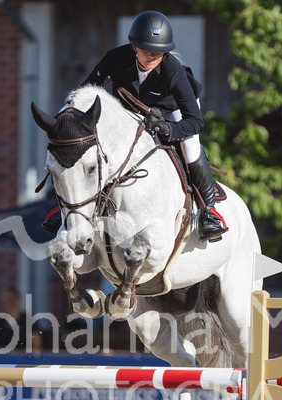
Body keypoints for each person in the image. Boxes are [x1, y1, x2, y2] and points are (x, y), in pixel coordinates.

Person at [41, 10, 228, 243]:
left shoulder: (174, 72)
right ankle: (65, 211)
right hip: (133, 111)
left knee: (190, 146)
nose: (153, 56)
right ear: (134, 47)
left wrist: (169, 130)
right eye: (148, 50)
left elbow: (195, 122)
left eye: (159, 53)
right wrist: (68, 123)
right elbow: (85, 92)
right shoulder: (115, 59)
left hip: (174, 109)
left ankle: (208, 212)